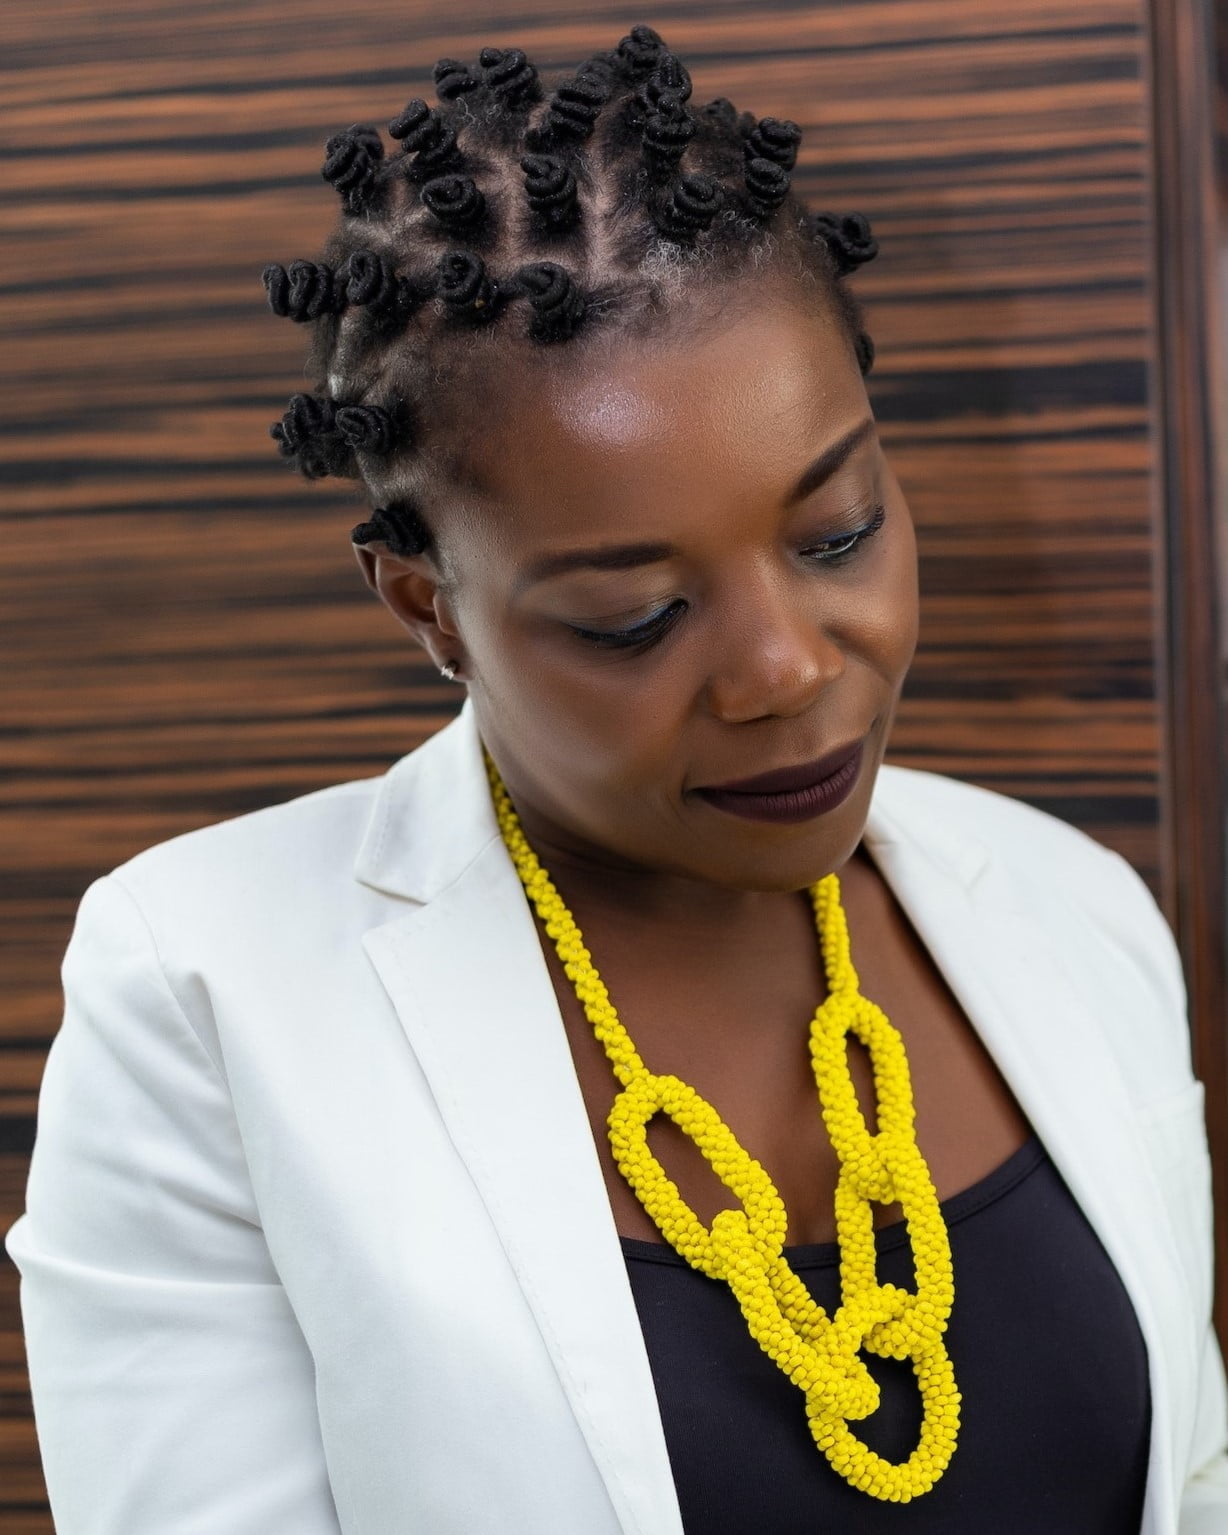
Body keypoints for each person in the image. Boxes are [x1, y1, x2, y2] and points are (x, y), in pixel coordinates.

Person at [5, 22, 1227, 1533]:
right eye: (630, 616)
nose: (785, 668)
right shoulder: (207, 991)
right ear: (426, 606)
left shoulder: (1075, 912)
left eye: (836, 530)